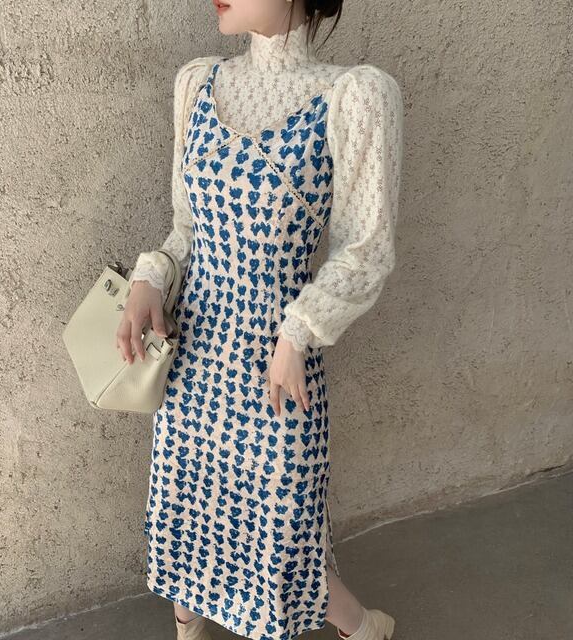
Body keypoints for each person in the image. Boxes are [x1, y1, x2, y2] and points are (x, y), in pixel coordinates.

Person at [116, 1, 404, 639]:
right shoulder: (198, 83)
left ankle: (362, 628)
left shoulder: (352, 96)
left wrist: (299, 334)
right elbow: (187, 227)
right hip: (193, 351)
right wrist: (149, 279)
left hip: (276, 359)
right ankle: (189, 626)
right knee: (188, 504)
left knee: (283, 528)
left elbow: (365, 249)